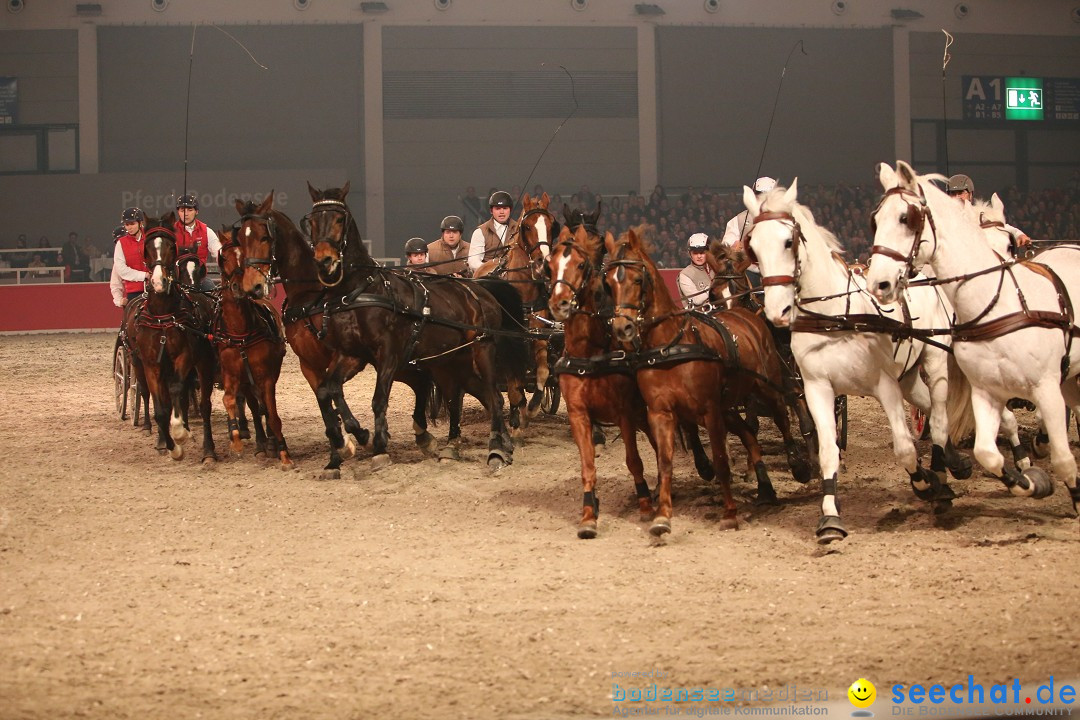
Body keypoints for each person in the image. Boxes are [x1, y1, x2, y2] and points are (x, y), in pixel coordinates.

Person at [946, 174, 1031, 250]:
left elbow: (1001, 227)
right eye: (953, 193)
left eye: (961, 192)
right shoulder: (943, 217)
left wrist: (1019, 235)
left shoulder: (978, 215)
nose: (957, 196)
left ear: (970, 194)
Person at [722, 176, 776, 286]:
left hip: (778, 272)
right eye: (759, 195)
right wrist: (733, 249)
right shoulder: (740, 219)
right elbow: (725, 248)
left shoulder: (786, 218)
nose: (763, 199)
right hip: (750, 273)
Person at [173, 193, 221, 291]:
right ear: (178, 212)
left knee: (213, 294)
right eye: (182, 210)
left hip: (200, 278)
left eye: (190, 210)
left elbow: (218, 253)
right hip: (176, 279)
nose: (186, 214)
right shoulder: (171, 232)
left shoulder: (207, 231)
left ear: (196, 211)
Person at [467, 191, 519, 273]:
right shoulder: (480, 232)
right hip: (489, 279)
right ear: (491, 211)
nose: (501, 212)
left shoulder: (519, 229)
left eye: (505, 208)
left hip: (515, 277)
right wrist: (490, 270)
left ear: (510, 210)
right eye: (498, 208)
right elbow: (473, 261)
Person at [114, 207, 149, 302]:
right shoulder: (121, 243)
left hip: (155, 289)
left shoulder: (150, 238)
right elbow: (121, 270)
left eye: (132, 224)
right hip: (134, 292)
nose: (129, 227)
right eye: (127, 224)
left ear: (140, 223)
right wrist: (144, 275)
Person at [678, 233, 715, 310]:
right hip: (697, 317)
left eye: (702, 252)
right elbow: (696, 300)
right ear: (690, 254)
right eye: (695, 253)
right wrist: (714, 285)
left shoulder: (715, 269)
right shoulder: (685, 274)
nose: (699, 256)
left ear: (709, 252)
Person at [108, 226, 127, 307]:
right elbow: (115, 284)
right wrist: (119, 301)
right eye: (118, 242)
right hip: (133, 296)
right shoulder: (118, 262)